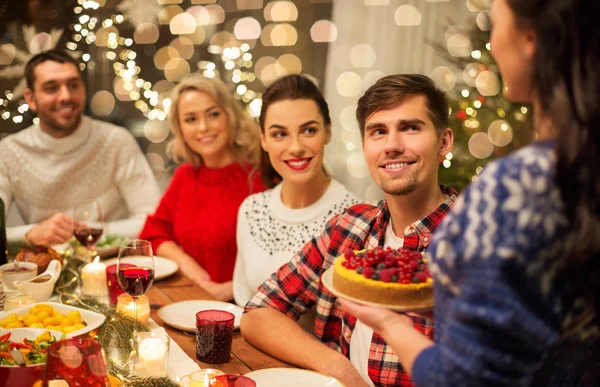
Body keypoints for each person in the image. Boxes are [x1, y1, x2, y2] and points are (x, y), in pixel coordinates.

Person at [339, 0, 600, 386]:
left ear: (529, 40)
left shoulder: (515, 188)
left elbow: (460, 378)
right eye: (378, 131)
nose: (492, 45)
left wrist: (390, 324)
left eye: (495, 25)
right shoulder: (579, 172)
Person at [241, 74, 458, 387]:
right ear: (365, 147)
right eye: (378, 132)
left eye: (410, 127)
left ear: (444, 141)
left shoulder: (477, 246)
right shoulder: (350, 228)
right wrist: (338, 368)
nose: (393, 146)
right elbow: (259, 313)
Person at [0, 49, 160, 245]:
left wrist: (92, 232)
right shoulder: (8, 151)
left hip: (113, 265)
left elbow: (154, 219)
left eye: (73, 85)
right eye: (52, 88)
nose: (66, 96)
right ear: (31, 99)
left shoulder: (116, 140)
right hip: (46, 268)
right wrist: (30, 234)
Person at [233, 75, 359, 307]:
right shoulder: (251, 209)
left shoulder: (355, 218)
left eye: (308, 130)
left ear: (328, 133)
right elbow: (244, 302)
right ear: (263, 140)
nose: (296, 147)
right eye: (280, 134)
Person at [139, 75, 265, 301]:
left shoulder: (260, 178)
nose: (203, 127)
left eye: (213, 114)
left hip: (246, 311)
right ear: (181, 129)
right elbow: (154, 233)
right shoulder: (185, 176)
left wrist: (230, 290)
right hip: (191, 302)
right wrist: (191, 269)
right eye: (191, 119)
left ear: (230, 117)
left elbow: (284, 262)